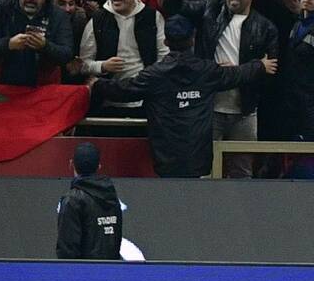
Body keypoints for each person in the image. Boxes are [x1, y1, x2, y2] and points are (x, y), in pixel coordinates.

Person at [91, 16, 277, 178]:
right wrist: (260, 65)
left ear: (166, 42)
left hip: (165, 158)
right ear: (193, 39)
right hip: (198, 159)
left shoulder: (154, 75)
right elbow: (237, 74)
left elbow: (122, 90)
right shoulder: (206, 71)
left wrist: (95, 84)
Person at [165, 0, 280, 177]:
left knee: (242, 172)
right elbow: (170, 6)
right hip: (210, 108)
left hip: (245, 111)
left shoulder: (265, 27)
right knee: (204, 170)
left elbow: (270, 72)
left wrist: (237, 73)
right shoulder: (209, 11)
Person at [56, 142, 123, 260]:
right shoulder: (112, 197)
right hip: (111, 269)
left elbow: (67, 249)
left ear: (71, 164)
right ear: (99, 166)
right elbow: (116, 241)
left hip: (83, 270)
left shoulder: (72, 200)